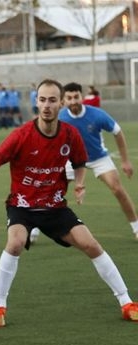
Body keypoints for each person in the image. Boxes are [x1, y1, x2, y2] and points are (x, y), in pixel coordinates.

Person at [0, 79, 138, 328]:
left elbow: (80, 162)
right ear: (36, 103)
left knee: (91, 244)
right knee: (15, 243)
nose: (47, 105)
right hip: (22, 206)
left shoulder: (70, 134)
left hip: (55, 207)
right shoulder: (21, 135)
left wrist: (79, 183)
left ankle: (127, 303)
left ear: (60, 103)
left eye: (52, 100)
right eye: (42, 100)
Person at [59, 81, 137, 237]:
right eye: (69, 98)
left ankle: (136, 227)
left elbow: (117, 132)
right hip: (72, 160)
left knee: (117, 189)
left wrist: (125, 161)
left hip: (98, 157)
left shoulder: (97, 114)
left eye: (76, 97)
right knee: (51, 191)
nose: (73, 101)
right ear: (63, 100)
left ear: (82, 97)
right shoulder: (60, 117)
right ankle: (34, 229)